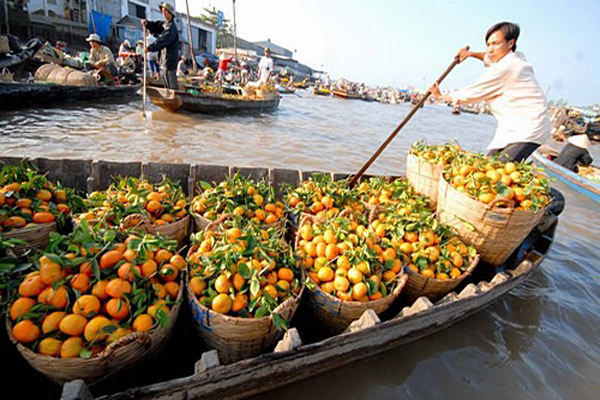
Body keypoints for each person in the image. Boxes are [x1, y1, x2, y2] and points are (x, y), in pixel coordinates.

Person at [429, 22, 551, 162]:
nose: (490, 49)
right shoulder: (515, 58)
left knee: (496, 172)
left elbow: (472, 94)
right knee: (487, 164)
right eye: (488, 45)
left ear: (511, 43)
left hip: (529, 128)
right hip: (514, 127)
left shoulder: (506, 68)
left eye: (495, 44)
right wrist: (470, 54)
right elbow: (489, 58)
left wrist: (441, 96)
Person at [143, 2, 180, 90]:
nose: (163, 13)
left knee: (171, 84)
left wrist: (149, 48)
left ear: (169, 13)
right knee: (166, 82)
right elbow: (157, 26)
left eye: (165, 11)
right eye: (162, 11)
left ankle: (174, 99)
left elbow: (162, 40)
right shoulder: (165, 24)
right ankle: (169, 98)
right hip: (165, 59)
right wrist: (147, 24)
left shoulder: (171, 28)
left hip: (170, 59)